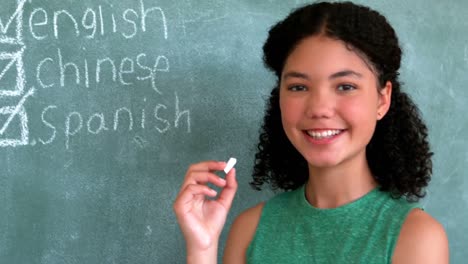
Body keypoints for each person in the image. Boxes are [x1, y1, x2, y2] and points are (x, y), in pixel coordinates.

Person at [173, 1, 449, 263]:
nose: (319, 108)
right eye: (298, 87)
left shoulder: (415, 237)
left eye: (345, 86)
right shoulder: (250, 230)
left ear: (382, 99)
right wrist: (202, 250)